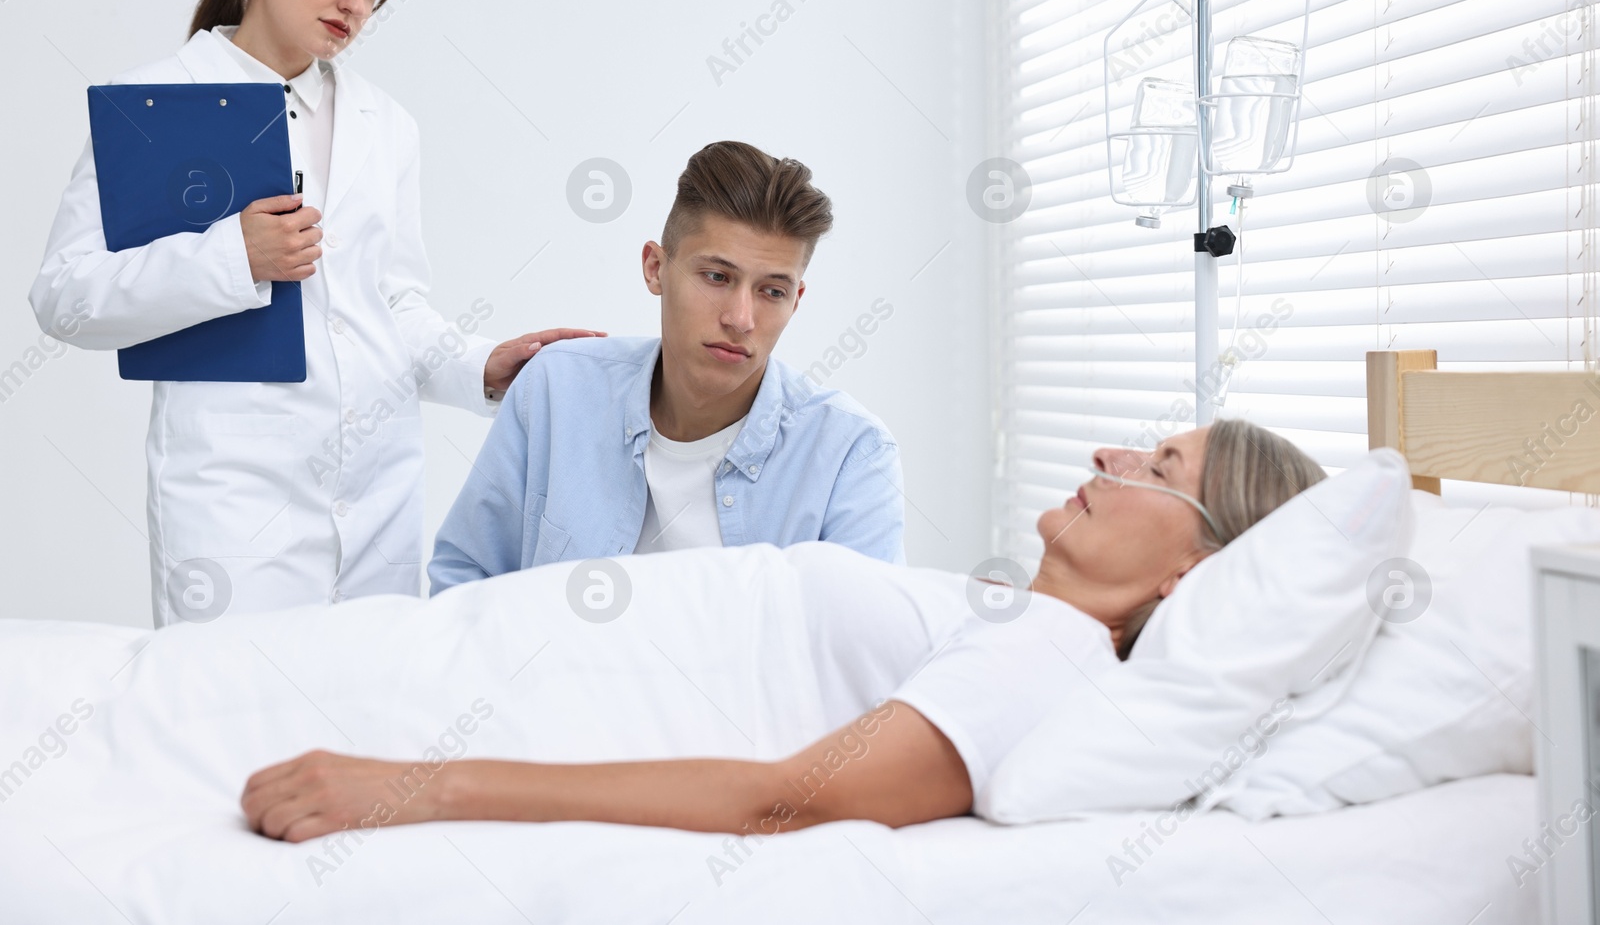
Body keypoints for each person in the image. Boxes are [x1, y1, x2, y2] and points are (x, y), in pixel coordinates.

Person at [243, 419, 1327, 842]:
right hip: (471, 648)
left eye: (1160, 467)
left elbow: (784, 795)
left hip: (462, 696)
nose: (1110, 455)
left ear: (1200, 568)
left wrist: (416, 784)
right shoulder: (1017, 620)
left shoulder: (1040, 656)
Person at [28, 0, 602, 626]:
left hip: (378, 492)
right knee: (232, 722)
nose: (354, 2)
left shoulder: (386, 124)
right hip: (232, 492)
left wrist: (483, 366)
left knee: (363, 719)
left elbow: (391, 304)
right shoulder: (154, 103)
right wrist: (233, 257)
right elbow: (64, 296)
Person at [426, 140, 905, 593]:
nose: (740, 319)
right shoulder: (556, 389)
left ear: (795, 301)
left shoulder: (850, 454)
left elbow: (862, 643)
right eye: (717, 277)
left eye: (772, 291)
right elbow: (468, 576)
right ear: (656, 268)